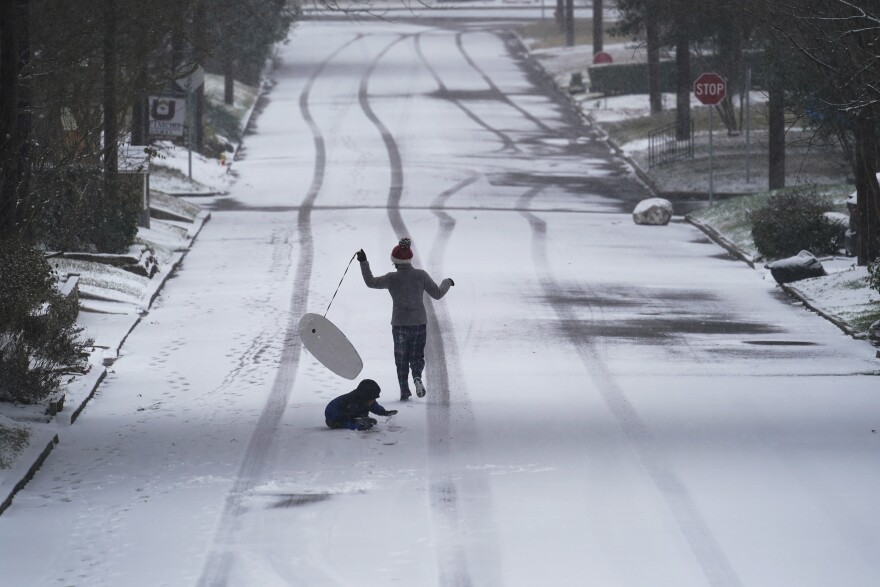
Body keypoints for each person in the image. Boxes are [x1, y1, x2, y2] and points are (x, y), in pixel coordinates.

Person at [356, 238, 454, 401]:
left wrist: (363, 262)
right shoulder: (420, 275)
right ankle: (416, 376)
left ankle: (404, 390)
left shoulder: (391, 278)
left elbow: (371, 282)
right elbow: (437, 294)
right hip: (418, 323)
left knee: (401, 358)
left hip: (400, 324)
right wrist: (447, 282)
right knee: (416, 356)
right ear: (409, 259)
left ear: (394, 261)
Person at [325, 379, 397, 431]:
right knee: (342, 423)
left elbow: (374, 406)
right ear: (366, 397)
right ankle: (358, 422)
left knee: (372, 422)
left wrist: (384, 412)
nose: (373, 401)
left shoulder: (366, 400)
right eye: (372, 399)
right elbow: (347, 419)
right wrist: (357, 426)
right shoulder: (351, 403)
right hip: (334, 418)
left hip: (350, 415)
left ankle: (360, 421)